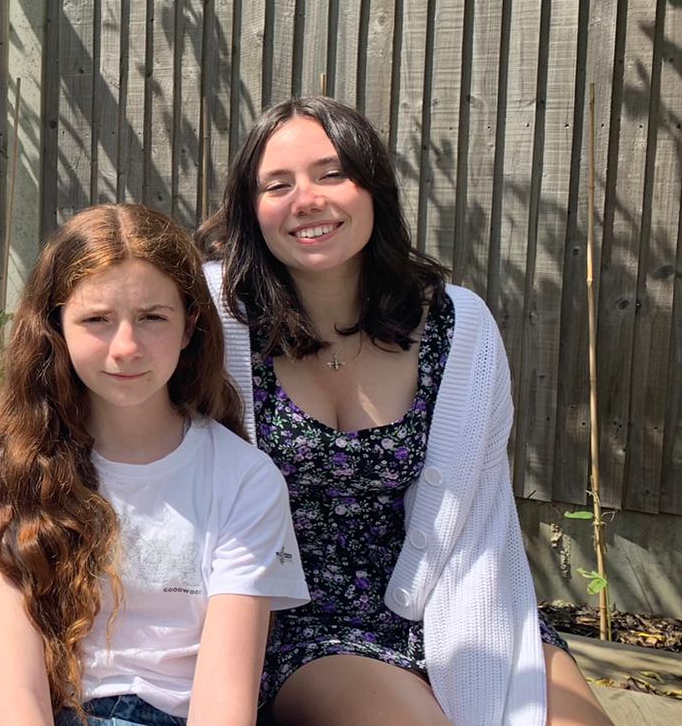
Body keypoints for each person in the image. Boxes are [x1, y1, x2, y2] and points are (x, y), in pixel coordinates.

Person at [197, 96, 613, 726]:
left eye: (331, 174)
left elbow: (479, 509)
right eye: (276, 185)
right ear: (252, 211)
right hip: (301, 621)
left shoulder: (458, 323)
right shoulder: (216, 318)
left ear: (373, 189)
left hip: (457, 597)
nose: (306, 200)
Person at [0, 203, 310, 726]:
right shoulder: (10, 466)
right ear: (57, 327)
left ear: (189, 326)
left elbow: (224, 707)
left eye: (152, 318)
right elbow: (18, 696)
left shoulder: (244, 481)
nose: (126, 348)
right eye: (97, 319)